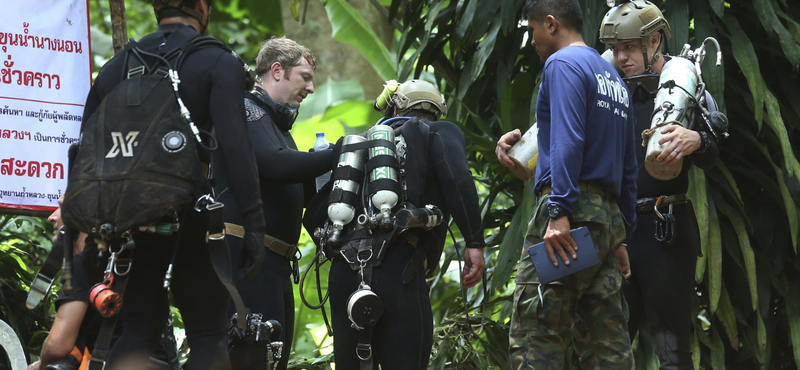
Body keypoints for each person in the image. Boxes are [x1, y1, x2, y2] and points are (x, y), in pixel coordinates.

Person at [74, 0, 266, 368]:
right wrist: (254, 222)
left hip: (127, 221)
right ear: (201, 7)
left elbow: (85, 149)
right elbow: (237, 147)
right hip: (190, 215)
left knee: (137, 330)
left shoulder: (117, 66)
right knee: (208, 333)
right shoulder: (217, 61)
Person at [497, 0, 638, 369]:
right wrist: (621, 237)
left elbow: (568, 141)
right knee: (606, 339)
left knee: (536, 330)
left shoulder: (561, 64)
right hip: (605, 222)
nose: (531, 41)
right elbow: (628, 164)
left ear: (551, 23)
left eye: (532, 30)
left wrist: (558, 211)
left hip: (570, 215)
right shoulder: (613, 79)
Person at [307, 79, 486, 369]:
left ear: (392, 108)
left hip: (344, 275)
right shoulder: (439, 132)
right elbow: (458, 180)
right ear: (437, 111)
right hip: (399, 268)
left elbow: (315, 213)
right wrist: (474, 242)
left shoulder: (355, 149)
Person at [596, 2, 720, 368]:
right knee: (606, 350)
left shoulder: (683, 87)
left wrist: (695, 138)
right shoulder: (611, 92)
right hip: (615, 233)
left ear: (653, 41)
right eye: (616, 50)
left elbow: (713, 150)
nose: (621, 57)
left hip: (666, 229)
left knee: (673, 350)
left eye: (629, 48)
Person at [211, 36, 331, 370]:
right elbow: (274, 164)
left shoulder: (277, 126)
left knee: (271, 362)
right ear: (277, 70)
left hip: (274, 265)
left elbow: (300, 191)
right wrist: (342, 152)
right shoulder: (246, 111)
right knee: (250, 358)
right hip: (246, 258)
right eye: (304, 77)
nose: (310, 87)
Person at [29, 198, 179, 370]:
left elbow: (57, 345)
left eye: (61, 208)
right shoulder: (136, 261)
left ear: (81, 219)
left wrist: (41, 365)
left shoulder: (84, 264)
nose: (52, 217)